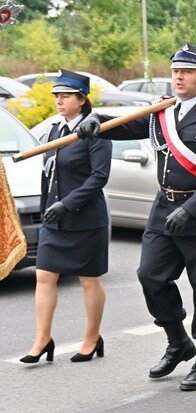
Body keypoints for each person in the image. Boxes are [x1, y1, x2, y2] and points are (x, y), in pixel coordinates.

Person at [78, 43, 196, 391]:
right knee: (150, 275)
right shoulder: (164, 112)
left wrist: (191, 209)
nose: (178, 77)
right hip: (164, 208)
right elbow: (125, 126)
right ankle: (178, 341)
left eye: (186, 72)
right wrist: (97, 121)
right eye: (175, 71)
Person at [20, 70, 111, 364]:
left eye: (66, 96)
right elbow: (49, 175)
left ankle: (92, 337)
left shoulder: (96, 130)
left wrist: (67, 205)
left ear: (82, 100)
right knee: (44, 275)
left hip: (86, 219)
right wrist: (49, 206)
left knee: (89, 280)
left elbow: (99, 177)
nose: (59, 101)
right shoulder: (56, 130)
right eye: (57, 96)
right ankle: (42, 339)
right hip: (55, 218)